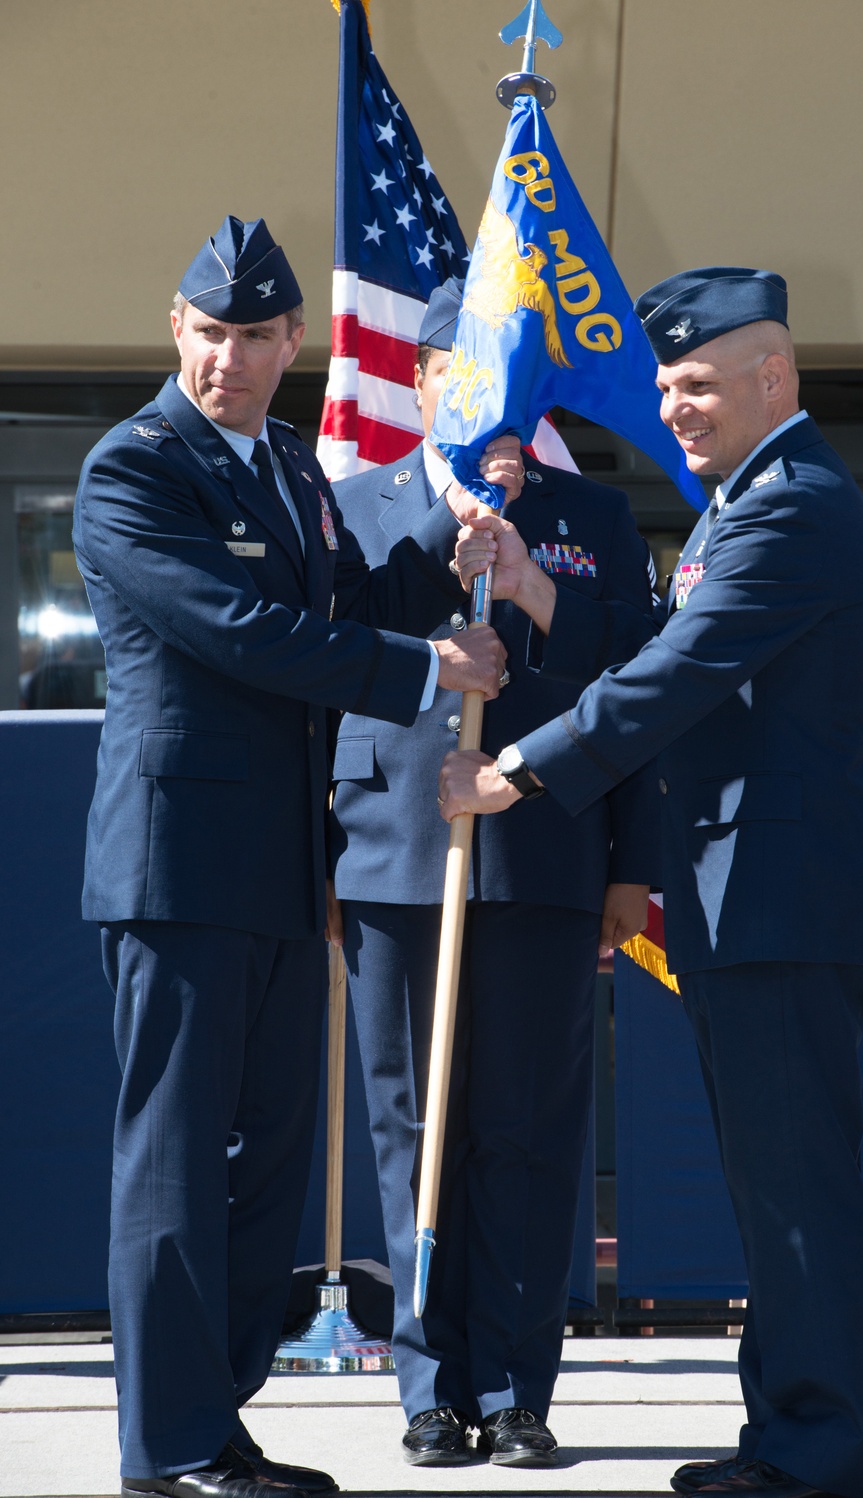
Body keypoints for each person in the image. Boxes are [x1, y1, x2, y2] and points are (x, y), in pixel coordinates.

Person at [440, 266, 863, 1498]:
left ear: (775, 378)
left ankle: (825, 1451)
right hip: (746, 895)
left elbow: (675, 675)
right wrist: (542, 596)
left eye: (696, 381)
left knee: (798, 1185)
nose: (673, 403)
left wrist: (519, 773)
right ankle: (790, 1435)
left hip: (778, 899)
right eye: (662, 381)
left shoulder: (790, 506)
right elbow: (665, 650)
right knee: (775, 1185)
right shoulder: (745, 498)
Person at [73, 217, 512, 1498]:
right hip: (174, 866)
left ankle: (217, 1414)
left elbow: (338, 607)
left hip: (278, 865)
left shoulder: (288, 468)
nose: (229, 359)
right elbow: (239, 630)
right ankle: (167, 1444)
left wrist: (442, 550)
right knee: (173, 1158)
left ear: (291, 343)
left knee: (266, 1160)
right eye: (209, 333)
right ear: (177, 329)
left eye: (256, 336)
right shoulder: (133, 468)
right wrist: (421, 665)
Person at [327, 277, 656, 1468]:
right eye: (462, 377)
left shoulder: (594, 517)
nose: (492, 408)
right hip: (392, 856)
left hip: (547, 854)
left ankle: (517, 1383)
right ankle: (428, 1383)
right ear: (417, 382)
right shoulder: (353, 503)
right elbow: (327, 657)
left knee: (526, 1130)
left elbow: (641, 683)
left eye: (514, 384)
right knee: (410, 1127)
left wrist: (533, 589)